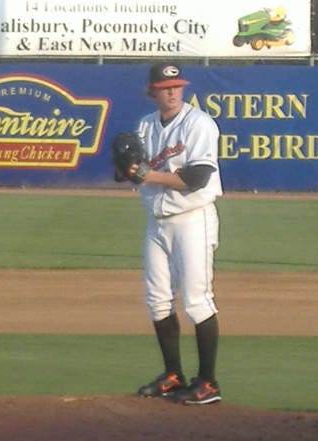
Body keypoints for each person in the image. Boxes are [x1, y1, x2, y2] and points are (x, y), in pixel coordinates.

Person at [117, 62, 223, 405]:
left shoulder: (199, 124)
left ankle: (207, 382)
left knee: (196, 300)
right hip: (157, 220)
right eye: (166, 87)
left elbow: (197, 178)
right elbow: (132, 174)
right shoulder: (146, 126)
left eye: (177, 85)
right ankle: (173, 375)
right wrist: (127, 170)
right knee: (158, 299)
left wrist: (147, 175)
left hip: (193, 218)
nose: (173, 91)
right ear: (153, 91)